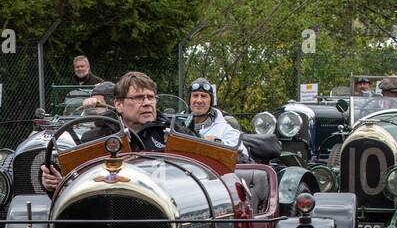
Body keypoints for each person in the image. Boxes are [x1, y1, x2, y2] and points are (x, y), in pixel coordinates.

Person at [41, 71, 178, 192]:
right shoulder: (95, 139)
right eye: (138, 98)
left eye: (151, 97)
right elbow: (80, 187)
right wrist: (59, 185)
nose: (147, 102)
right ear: (118, 105)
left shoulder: (176, 135)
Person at [187, 77, 245, 150]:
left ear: (211, 102)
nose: (199, 100)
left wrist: (218, 143)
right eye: (195, 95)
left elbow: (243, 153)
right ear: (189, 100)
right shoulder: (177, 124)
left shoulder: (225, 129)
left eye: (204, 96)